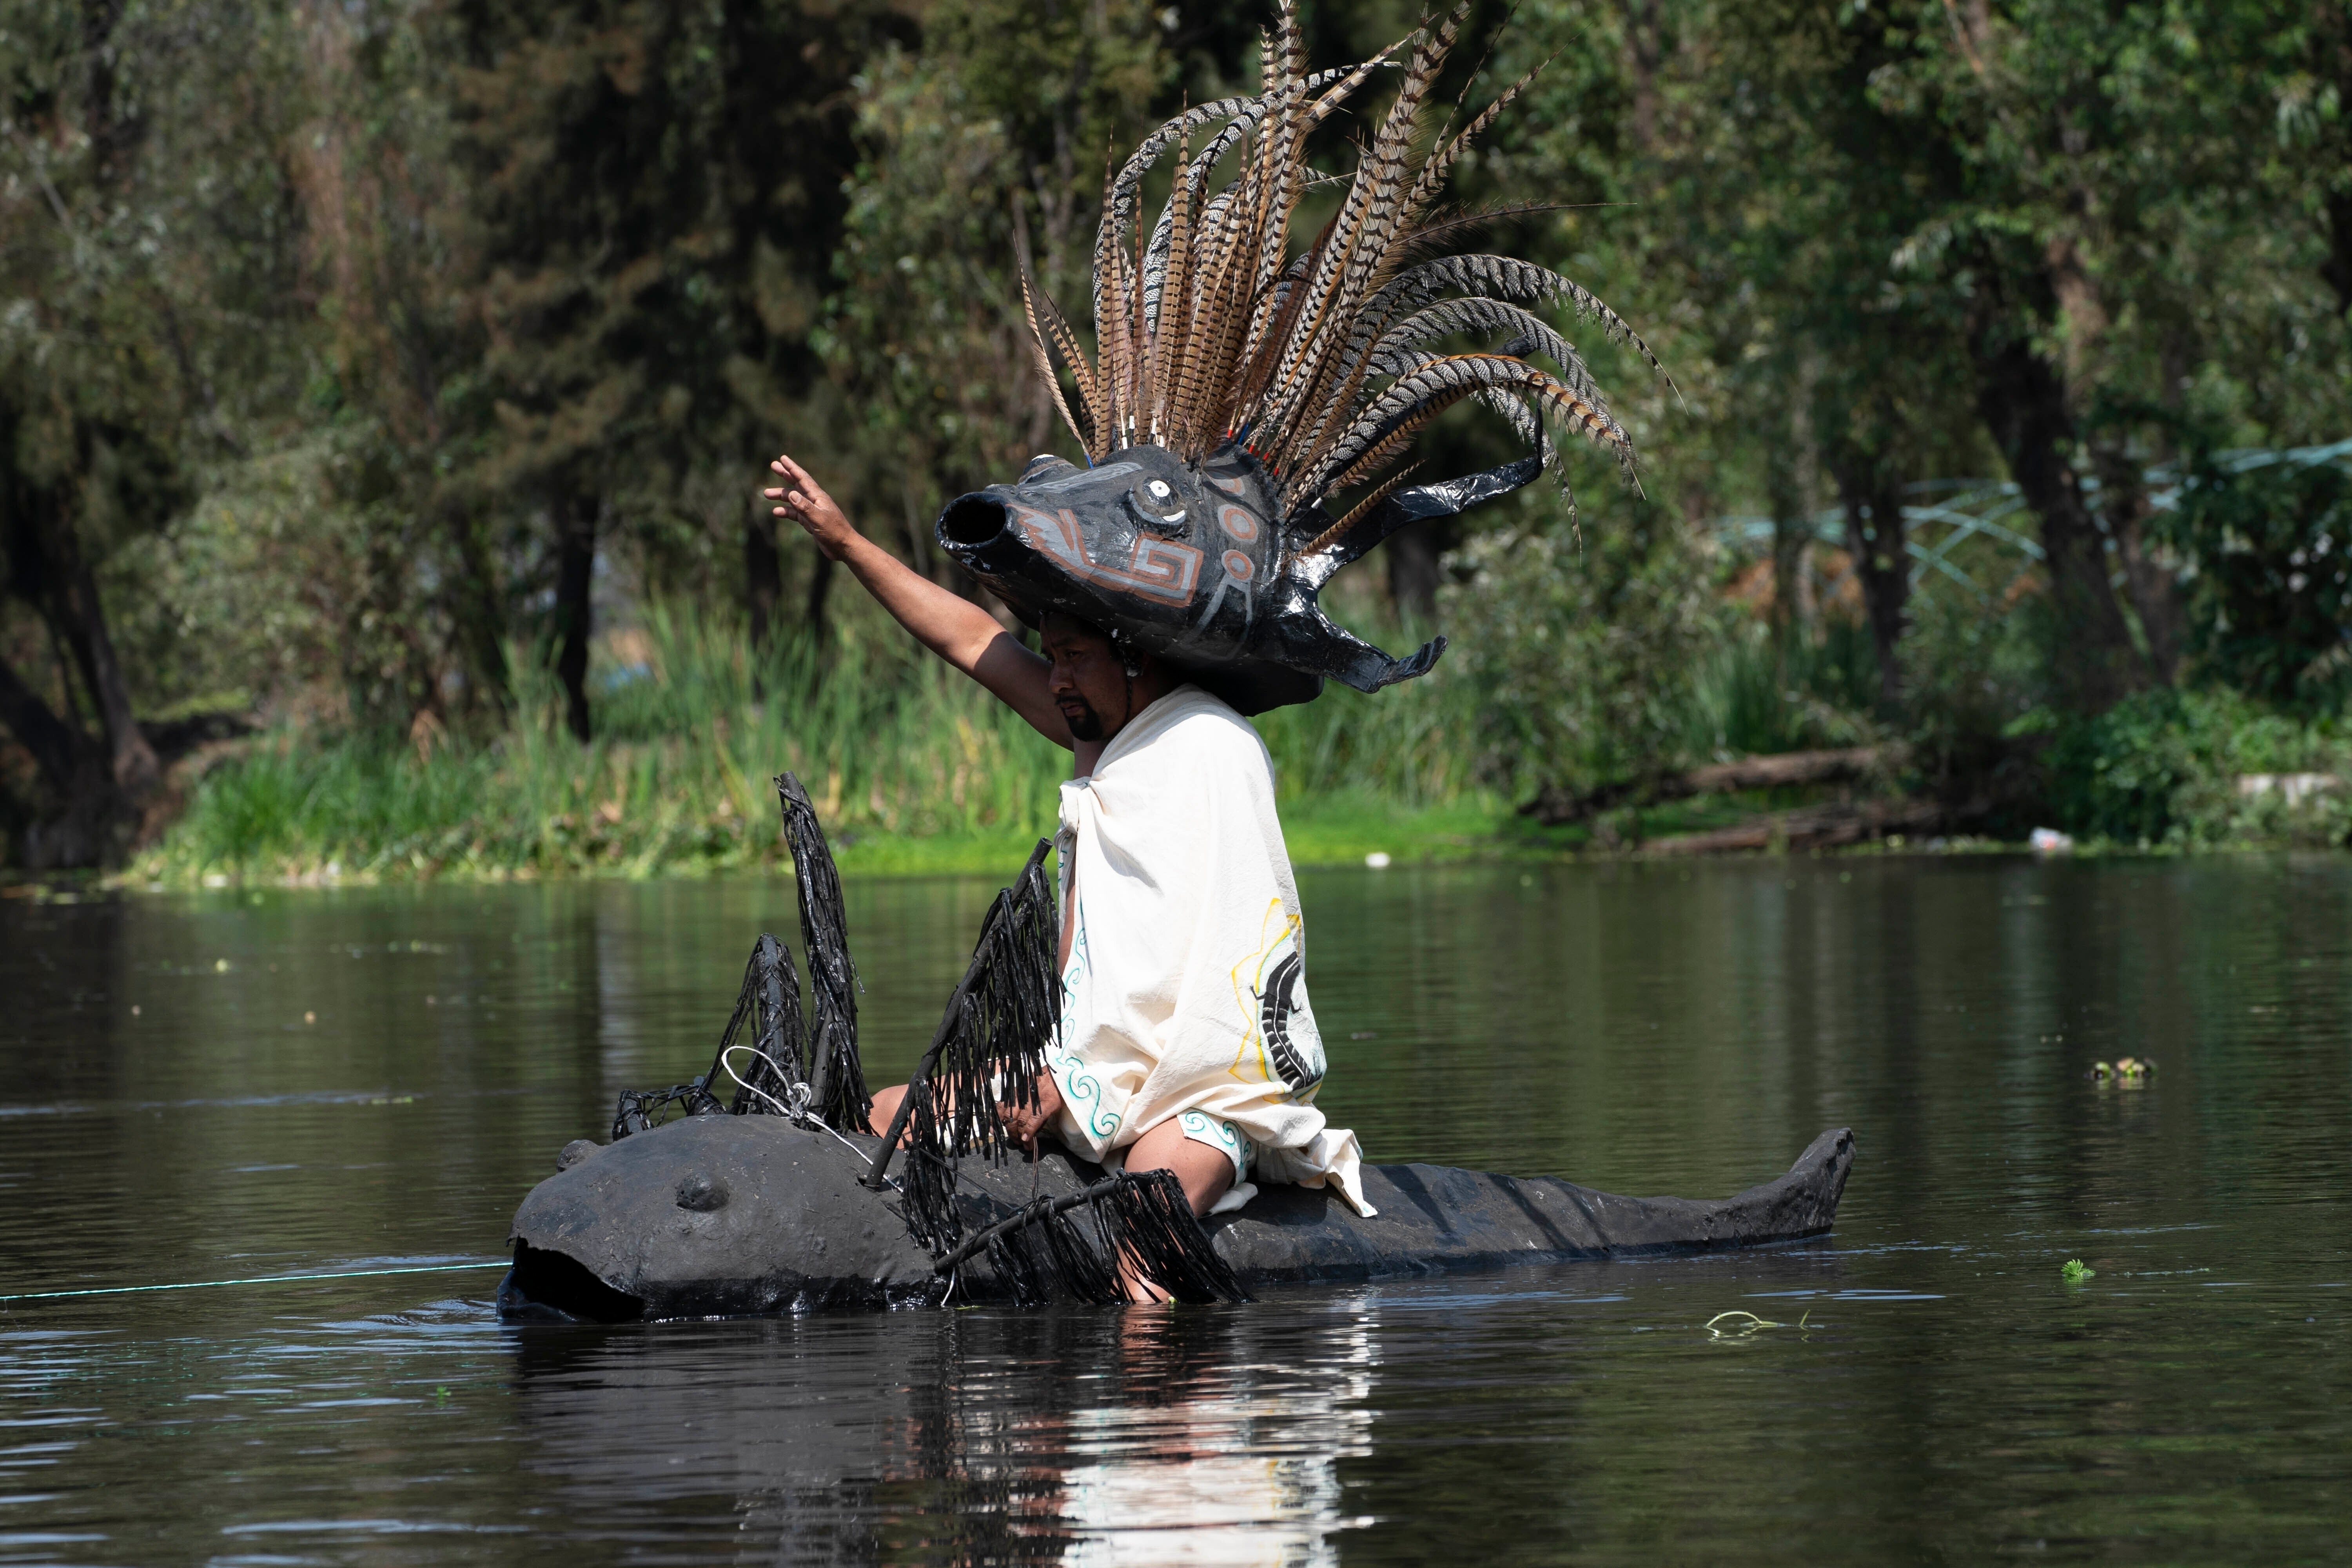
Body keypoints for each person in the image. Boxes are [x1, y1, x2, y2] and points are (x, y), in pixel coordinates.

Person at [763, 453, 1373, 1232]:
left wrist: (1075, 1085)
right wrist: (848, 542)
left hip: (1197, 1090)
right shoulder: (1106, 730)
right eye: (1053, 659)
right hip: (1083, 1072)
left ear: (1137, 653)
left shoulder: (1210, 746)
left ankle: (1151, 1348)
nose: (1056, 681)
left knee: (1141, 1226)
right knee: (885, 1115)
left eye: (1074, 658)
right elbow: (971, 639)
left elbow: (1232, 982)